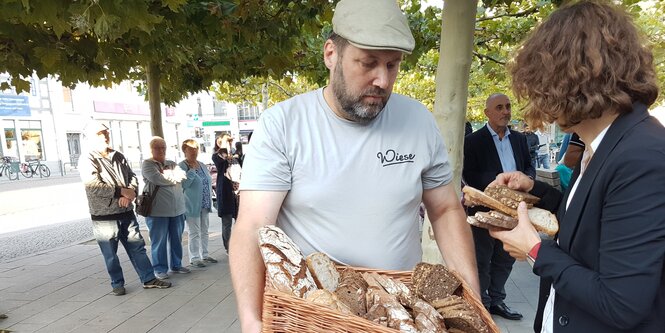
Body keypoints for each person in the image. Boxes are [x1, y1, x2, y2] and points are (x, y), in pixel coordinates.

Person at [229, 0, 480, 331]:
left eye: (392, 65)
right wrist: (251, 319)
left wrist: (473, 300)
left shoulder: (418, 121)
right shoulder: (284, 124)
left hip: (399, 314)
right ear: (331, 54)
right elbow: (253, 226)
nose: (382, 80)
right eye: (368, 63)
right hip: (313, 316)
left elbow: (446, 210)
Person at [490, 2, 665, 332]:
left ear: (565, 79)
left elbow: (620, 303)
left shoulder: (642, 157)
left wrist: (535, 251)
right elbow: (592, 223)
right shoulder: (606, 144)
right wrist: (535, 191)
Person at [463, 93, 535, 320]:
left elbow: (528, 167)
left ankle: (497, 300)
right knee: (483, 258)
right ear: (487, 113)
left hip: (513, 210)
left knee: (506, 258)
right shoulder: (474, 141)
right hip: (485, 209)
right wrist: (500, 181)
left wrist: (525, 179)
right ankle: (482, 303)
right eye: (499, 107)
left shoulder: (519, 139)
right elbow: (469, 174)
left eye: (508, 106)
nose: (506, 111)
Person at [80, 123, 171, 295]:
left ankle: (149, 278)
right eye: (100, 134)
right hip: (104, 216)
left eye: (106, 133)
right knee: (110, 253)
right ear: (90, 138)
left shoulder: (118, 155)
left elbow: (132, 177)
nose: (105, 136)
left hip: (126, 211)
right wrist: (121, 191)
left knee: (137, 246)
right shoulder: (87, 159)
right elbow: (93, 186)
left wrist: (130, 193)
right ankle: (117, 283)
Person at [142, 137, 190, 279]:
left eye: (163, 147)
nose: (161, 150)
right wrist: (171, 177)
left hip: (177, 210)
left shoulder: (171, 163)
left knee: (177, 239)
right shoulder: (147, 164)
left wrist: (170, 175)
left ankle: (176, 264)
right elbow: (159, 179)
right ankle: (159, 269)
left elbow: (182, 176)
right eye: (157, 148)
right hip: (158, 211)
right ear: (151, 149)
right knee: (159, 241)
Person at [178, 139, 216, 268]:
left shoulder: (202, 165)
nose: (194, 151)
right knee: (194, 231)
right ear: (184, 150)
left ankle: (205, 254)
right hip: (192, 204)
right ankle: (194, 257)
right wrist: (191, 172)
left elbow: (208, 181)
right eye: (191, 149)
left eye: (196, 149)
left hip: (205, 202)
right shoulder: (182, 166)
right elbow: (184, 184)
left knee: (205, 230)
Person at [212, 143, 237, 254]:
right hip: (225, 193)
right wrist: (225, 156)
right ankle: (228, 246)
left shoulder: (235, 156)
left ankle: (239, 244)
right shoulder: (217, 157)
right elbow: (218, 161)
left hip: (236, 191)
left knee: (240, 221)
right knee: (227, 223)